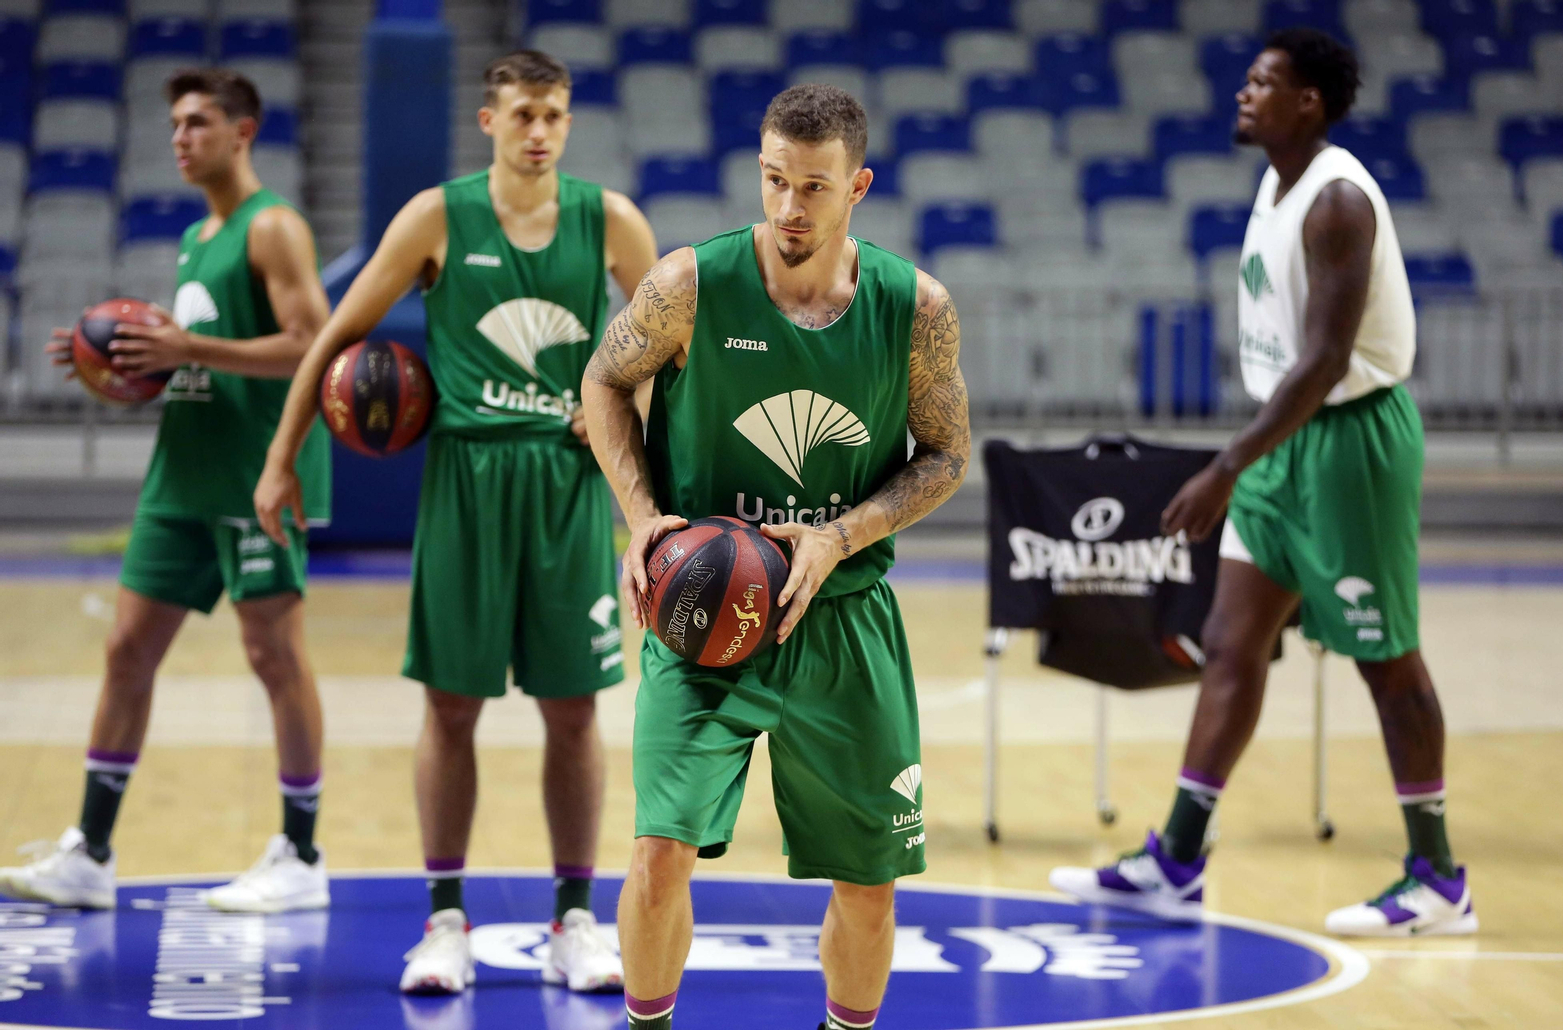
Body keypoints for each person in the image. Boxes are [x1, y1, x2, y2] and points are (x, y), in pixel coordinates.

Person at [1049, 28, 1474, 938]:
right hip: (1286, 445)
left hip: (1350, 442)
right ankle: (1178, 860)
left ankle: (1440, 879)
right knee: (1231, 642)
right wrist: (1253, 458)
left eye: (1262, 83)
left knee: (1386, 658)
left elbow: (1323, 362)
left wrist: (1225, 465)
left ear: (1308, 102)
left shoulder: (1337, 202)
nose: (1243, 94)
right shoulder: (1275, 186)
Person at [253, 50, 657, 993]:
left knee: (573, 711)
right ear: (488, 120)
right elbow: (335, 336)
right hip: (467, 482)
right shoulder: (439, 215)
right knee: (450, 706)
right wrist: (281, 459)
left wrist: (614, 410)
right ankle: (445, 921)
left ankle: (574, 921)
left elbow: (677, 348)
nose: (539, 130)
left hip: (565, 484)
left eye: (554, 113)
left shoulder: (613, 222)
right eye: (522, 113)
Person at [582, 83, 971, 1030]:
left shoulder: (914, 307)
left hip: (842, 618)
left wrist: (841, 534)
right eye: (773, 181)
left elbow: (949, 454)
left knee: (869, 884)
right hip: (700, 608)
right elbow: (603, 379)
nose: (790, 208)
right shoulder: (688, 286)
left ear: (859, 187)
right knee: (658, 852)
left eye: (814, 188)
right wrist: (641, 516)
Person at [0, 68, 334, 913]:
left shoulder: (275, 228)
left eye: (197, 124)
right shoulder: (196, 237)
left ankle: (301, 855)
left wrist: (187, 348)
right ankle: (93, 853)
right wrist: (100, 353)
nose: (180, 139)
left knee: (274, 656)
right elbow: (184, 345)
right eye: (176, 126)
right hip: (179, 477)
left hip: (252, 472)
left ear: (243, 132)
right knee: (126, 652)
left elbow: (310, 344)